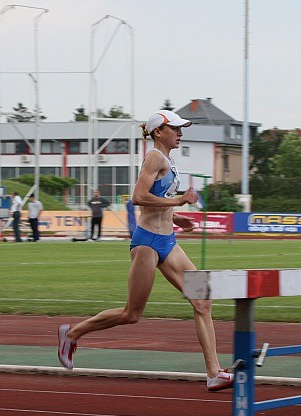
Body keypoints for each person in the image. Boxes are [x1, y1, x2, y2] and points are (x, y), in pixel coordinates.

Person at [58, 110, 234, 392]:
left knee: (203, 300)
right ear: (158, 132)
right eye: (175, 128)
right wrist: (179, 202)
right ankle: (73, 333)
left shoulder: (169, 160)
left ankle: (214, 372)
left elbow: (157, 201)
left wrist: (177, 218)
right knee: (132, 313)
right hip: (147, 243)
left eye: (180, 128)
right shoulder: (154, 157)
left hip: (169, 241)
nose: (180, 133)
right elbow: (139, 197)